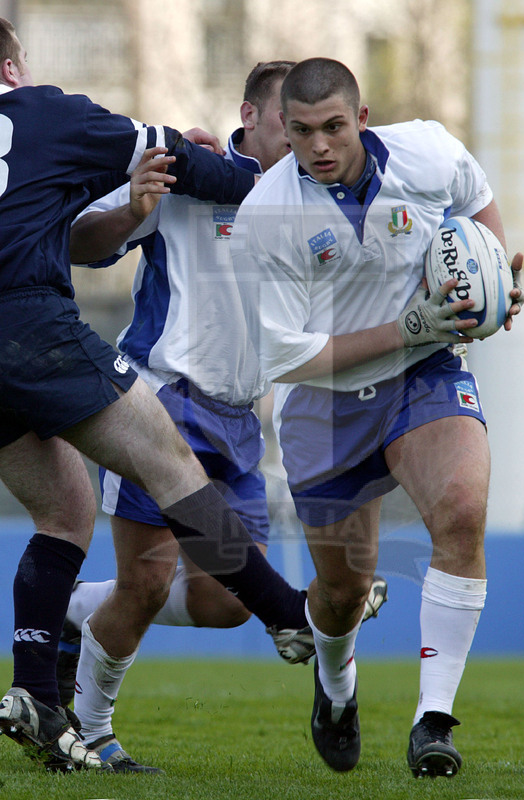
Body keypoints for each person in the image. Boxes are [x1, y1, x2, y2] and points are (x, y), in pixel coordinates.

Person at [0, 21, 320, 773]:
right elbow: (171, 154)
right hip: (29, 324)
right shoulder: (42, 110)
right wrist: (261, 189)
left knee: (65, 512)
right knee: (171, 464)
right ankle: (288, 612)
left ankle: (34, 695)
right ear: (12, 67)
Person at [61, 61, 388, 773]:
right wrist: (134, 208)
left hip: (240, 418)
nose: (303, 143)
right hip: (160, 401)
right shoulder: (188, 173)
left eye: (314, 129)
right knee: (148, 581)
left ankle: (76, 609)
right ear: (250, 117)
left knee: (224, 603)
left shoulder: (311, 204)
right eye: (289, 126)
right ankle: (89, 730)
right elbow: (82, 242)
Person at [230, 57, 524, 778]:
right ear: (283, 129)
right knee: (343, 593)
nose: (319, 145)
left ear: (361, 119)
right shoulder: (265, 214)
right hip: (323, 402)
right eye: (302, 131)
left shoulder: (426, 150)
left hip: (423, 372)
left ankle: (434, 721)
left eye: (334, 127)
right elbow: (286, 357)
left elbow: (476, 196)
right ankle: (336, 687)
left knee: (461, 513)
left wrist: (495, 281)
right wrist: (407, 325)